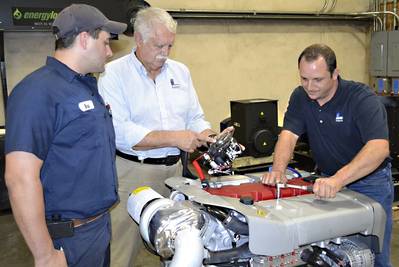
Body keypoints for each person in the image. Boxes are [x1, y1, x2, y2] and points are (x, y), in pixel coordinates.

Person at [4, 4, 126, 267]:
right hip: (66, 238)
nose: (109, 51)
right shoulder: (37, 92)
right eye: (105, 43)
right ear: (84, 39)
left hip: (96, 229)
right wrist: (45, 255)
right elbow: (19, 178)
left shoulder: (84, 88)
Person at [98, 7, 219, 267]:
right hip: (132, 174)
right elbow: (120, 132)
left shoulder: (180, 72)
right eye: (158, 45)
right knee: (122, 250)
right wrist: (175, 138)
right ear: (139, 40)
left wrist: (209, 136)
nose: (164, 53)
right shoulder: (113, 74)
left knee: (176, 248)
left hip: (174, 175)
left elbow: (195, 117)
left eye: (170, 46)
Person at [262, 43, 393, 267]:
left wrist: (338, 180)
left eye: (318, 80)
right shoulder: (301, 97)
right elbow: (288, 135)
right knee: (330, 252)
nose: (309, 86)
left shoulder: (361, 98)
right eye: (304, 79)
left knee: (374, 257)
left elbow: (379, 148)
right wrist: (278, 170)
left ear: (335, 73)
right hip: (326, 182)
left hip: (369, 184)